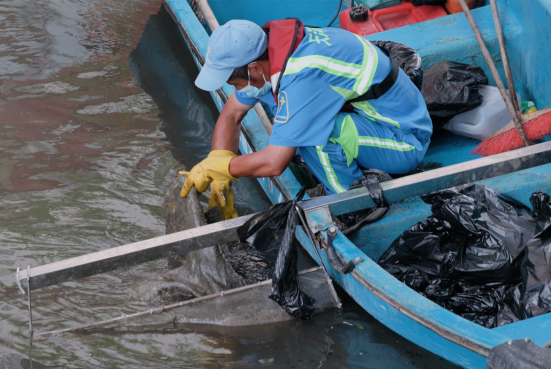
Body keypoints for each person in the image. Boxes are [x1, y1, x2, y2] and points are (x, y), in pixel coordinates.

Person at [180, 19, 432, 220]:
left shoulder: (302, 75)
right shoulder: (274, 54)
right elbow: (232, 114)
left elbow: (274, 163)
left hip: (406, 141)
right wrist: (218, 158)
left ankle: (352, 204)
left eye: (235, 83)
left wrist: (224, 169)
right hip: (374, 121)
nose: (238, 90)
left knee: (312, 136)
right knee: (294, 126)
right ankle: (343, 173)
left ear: (254, 68)